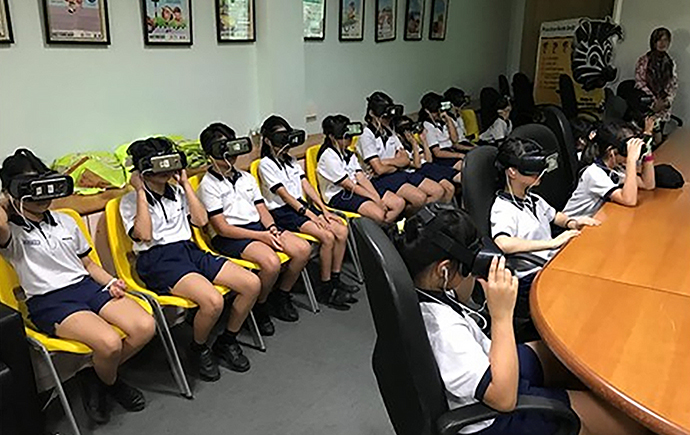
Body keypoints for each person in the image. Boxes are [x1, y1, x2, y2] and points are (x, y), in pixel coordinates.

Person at [393, 204, 649, 435]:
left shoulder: (425, 290)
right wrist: (502, 315)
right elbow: (504, 400)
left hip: (485, 365)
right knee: (627, 424)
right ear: (444, 269)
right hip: (495, 418)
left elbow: (463, 295)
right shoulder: (444, 330)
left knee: (562, 355)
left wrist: (470, 275)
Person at [0, 149, 155, 425]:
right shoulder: (11, 232)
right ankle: (110, 382)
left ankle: (97, 377)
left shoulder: (65, 220)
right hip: (50, 301)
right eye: (31, 187)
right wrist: (6, 197)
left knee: (144, 326)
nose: (43, 194)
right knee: (108, 343)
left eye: (45, 183)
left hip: (85, 287)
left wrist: (110, 282)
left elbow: (87, 264)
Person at [119, 137, 261, 381]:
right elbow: (144, 235)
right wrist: (141, 190)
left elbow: (201, 221)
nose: (166, 171)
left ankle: (227, 341)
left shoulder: (177, 192)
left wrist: (184, 183)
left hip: (188, 249)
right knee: (213, 301)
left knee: (251, 284)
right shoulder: (130, 202)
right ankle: (199, 348)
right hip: (158, 259)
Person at [198, 123, 313, 332]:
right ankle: (259, 307)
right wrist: (261, 236)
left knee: (303, 249)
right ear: (210, 153)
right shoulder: (208, 185)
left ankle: (281, 294)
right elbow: (222, 228)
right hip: (231, 235)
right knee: (270, 263)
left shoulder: (246, 178)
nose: (229, 154)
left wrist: (271, 229)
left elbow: (262, 209)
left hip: (258, 228)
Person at [258, 116, 358, 310]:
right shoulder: (266, 164)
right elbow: (284, 196)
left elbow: (306, 185)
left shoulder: (291, 160)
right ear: (268, 140)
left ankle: (335, 279)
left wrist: (323, 209)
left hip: (301, 206)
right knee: (327, 236)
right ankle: (325, 287)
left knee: (341, 230)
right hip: (283, 212)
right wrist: (311, 215)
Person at [490, 138, 600, 296]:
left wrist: (572, 223)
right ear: (512, 172)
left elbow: (555, 216)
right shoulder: (503, 209)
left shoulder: (532, 199)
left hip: (551, 262)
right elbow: (502, 243)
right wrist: (550, 244)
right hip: (532, 275)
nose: (540, 174)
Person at [358, 91, 443, 214]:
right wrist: (394, 164)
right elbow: (379, 170)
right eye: (385, 117)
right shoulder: (366, 136)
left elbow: (405, 160)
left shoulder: (389, 131)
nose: (388, 120)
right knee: (420, 198)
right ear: (372, 114)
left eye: (389, 117)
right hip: (380, 179)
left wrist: (385, 162)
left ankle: (423, 218)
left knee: (438, 191)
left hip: (398, 173)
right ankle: (410, 222)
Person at [317, 114, 405, 225]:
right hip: (339, 195)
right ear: (332, 137)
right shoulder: (328, 156)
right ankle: (385, 231)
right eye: (346, 137)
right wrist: (375, 200)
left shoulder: (348, 153)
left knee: (398, 203)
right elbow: (349, 185)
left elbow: (361, 178)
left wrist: (376, 197)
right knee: (380, 214)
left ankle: (387, 229)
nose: (350, 140)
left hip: (356, 188)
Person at [563, 121, 655, 219]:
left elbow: (647, 184)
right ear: (611, 152)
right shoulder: (594, 173)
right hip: (569, 226)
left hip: (592, 219)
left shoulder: (614, 168)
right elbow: (629, 200)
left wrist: (647, 152)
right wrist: (631, 160)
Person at [391, 114, 458, 201]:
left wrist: (424, 142)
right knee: (448, 188)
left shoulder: (412, 144)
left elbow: (429, 160)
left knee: (452, 185)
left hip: (428, 166)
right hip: (417, 171)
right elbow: (417, 165)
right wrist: (414, 144)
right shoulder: (400, 148)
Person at [635, 27, 678, 145]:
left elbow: (673, 84)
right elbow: (640, 82)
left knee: (659, 144)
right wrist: (654, 101)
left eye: (665, 40)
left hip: (663, 107)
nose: (662, 43)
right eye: (659, 40)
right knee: (646, 142)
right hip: (648, 106)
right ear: (653, 42)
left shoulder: (670, 62)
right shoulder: (644, 60)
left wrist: (666, 101)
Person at [419, 92, 468, 170]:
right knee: (466, 166)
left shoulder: (443, 120)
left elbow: (455, 140)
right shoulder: (427, 125)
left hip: (453, 149)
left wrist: (448, 120)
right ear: (427, 111)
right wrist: (458, 155)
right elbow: (437, 153)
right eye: (435, 111)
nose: (438, 113)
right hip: (442, 156)